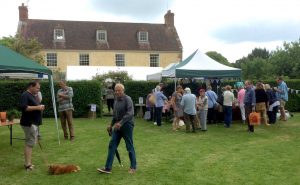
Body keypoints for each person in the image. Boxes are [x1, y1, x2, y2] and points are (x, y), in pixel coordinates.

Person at [97, 83, 136, 174]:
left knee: (129, 146)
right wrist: (111, 125)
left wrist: (121, 123)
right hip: (117, 126)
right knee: (112, 145)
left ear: (123, 90)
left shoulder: (128, 99)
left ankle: (133, 167)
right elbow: (115, 116)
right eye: (116, 90)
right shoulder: (116, 101)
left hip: (127, 125)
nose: (117, 92)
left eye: (119, 90)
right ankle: (108, 168)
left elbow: (130, 113)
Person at [20, 81, 45, 171]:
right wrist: (38, 107)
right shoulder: (25, 95)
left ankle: (28, 163)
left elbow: (35, 106)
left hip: (34, 123)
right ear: (31, 86)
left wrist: (40, 107)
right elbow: (24, 107)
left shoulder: (33, 95)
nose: (38, 90)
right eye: (37, 88)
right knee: (29, 143)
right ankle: (27, 165)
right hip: (28, 123)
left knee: (30, 143)